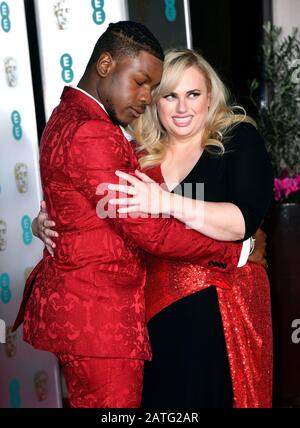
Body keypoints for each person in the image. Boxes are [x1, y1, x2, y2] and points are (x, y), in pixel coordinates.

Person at [12, 24, 248, 409]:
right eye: (140, 83)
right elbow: (149, 230)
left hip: (95, 314)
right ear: (106, 63)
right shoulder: (93, 131)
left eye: (152, 90)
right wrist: (231, 251)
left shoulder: (65, 114)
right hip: (101, 321)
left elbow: (85, 207)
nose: (145, 99)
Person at [106, 49, 274, 407]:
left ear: (209, 97)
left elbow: (241, 222)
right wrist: (54, 224)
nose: (182, 108)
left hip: (222, 310)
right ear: (155, 101)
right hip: (154, 315)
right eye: (170, 96)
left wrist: (167, 203)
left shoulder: (237, 140)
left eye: (193, 94)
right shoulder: (138, 154)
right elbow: (108, 217)